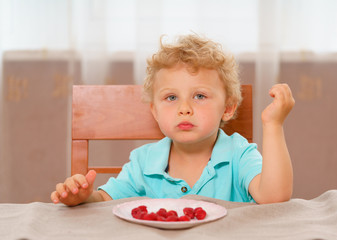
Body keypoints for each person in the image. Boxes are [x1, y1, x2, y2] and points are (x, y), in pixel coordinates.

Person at [51, 34, 295, 206]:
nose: (185, 109)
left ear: (228, 108)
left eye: (199, 96)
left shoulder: (239, 154)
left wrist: (273, 125)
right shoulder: (144, 161)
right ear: (154, 111)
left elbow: (274, 197)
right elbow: (104, 200)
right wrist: (82, 197)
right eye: (171, 97)